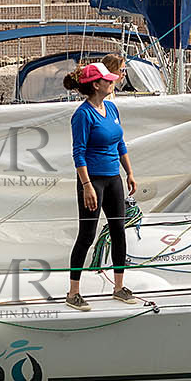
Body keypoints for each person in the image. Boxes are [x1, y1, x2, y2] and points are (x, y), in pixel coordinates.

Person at [65, 61, 138, 310]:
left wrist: (129, 172)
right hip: (92, 180)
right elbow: (79, 153)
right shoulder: (83, 115)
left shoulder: (112, 108)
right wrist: (86, 185)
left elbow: (120, 143)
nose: (112, 82)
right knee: (87, 235)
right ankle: (73, 291)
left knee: (118, 230)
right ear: (96, 85)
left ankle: (118, 287)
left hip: (113, 178)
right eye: (108, 80)